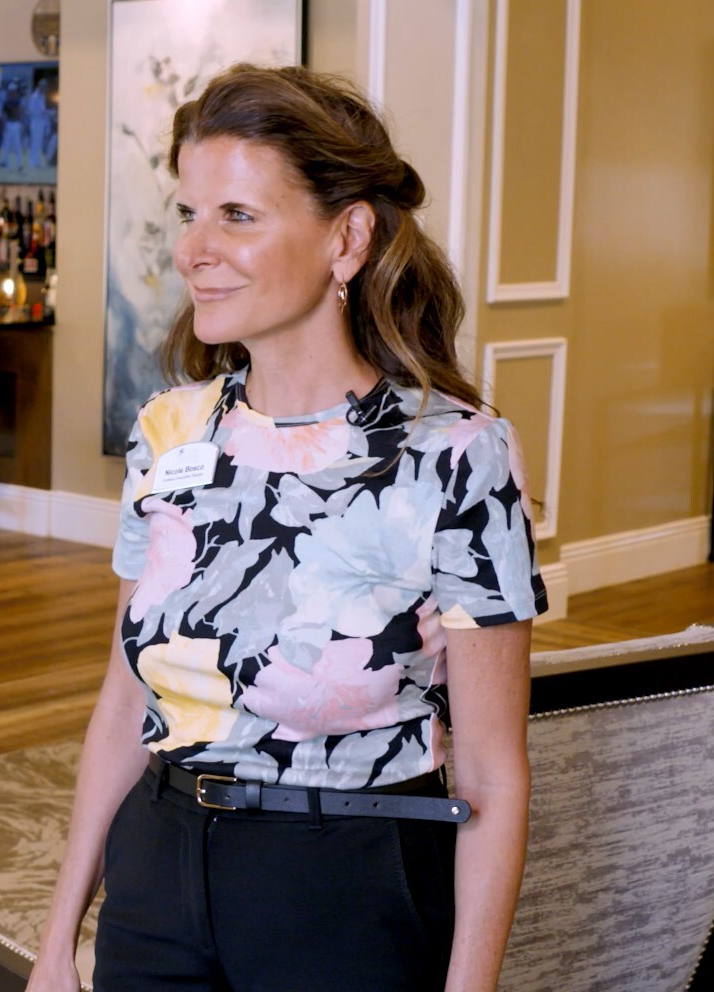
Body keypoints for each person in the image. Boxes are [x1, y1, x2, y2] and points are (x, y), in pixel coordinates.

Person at [27, 64, 544, 992]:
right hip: (156, 873)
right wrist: (56, 939)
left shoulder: (455, 455)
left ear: (347, 238)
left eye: (237, 215)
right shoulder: (169, 431)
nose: (194, 250)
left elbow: (495, 775)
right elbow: (123, 701)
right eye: (189, 213)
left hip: (344, 886)